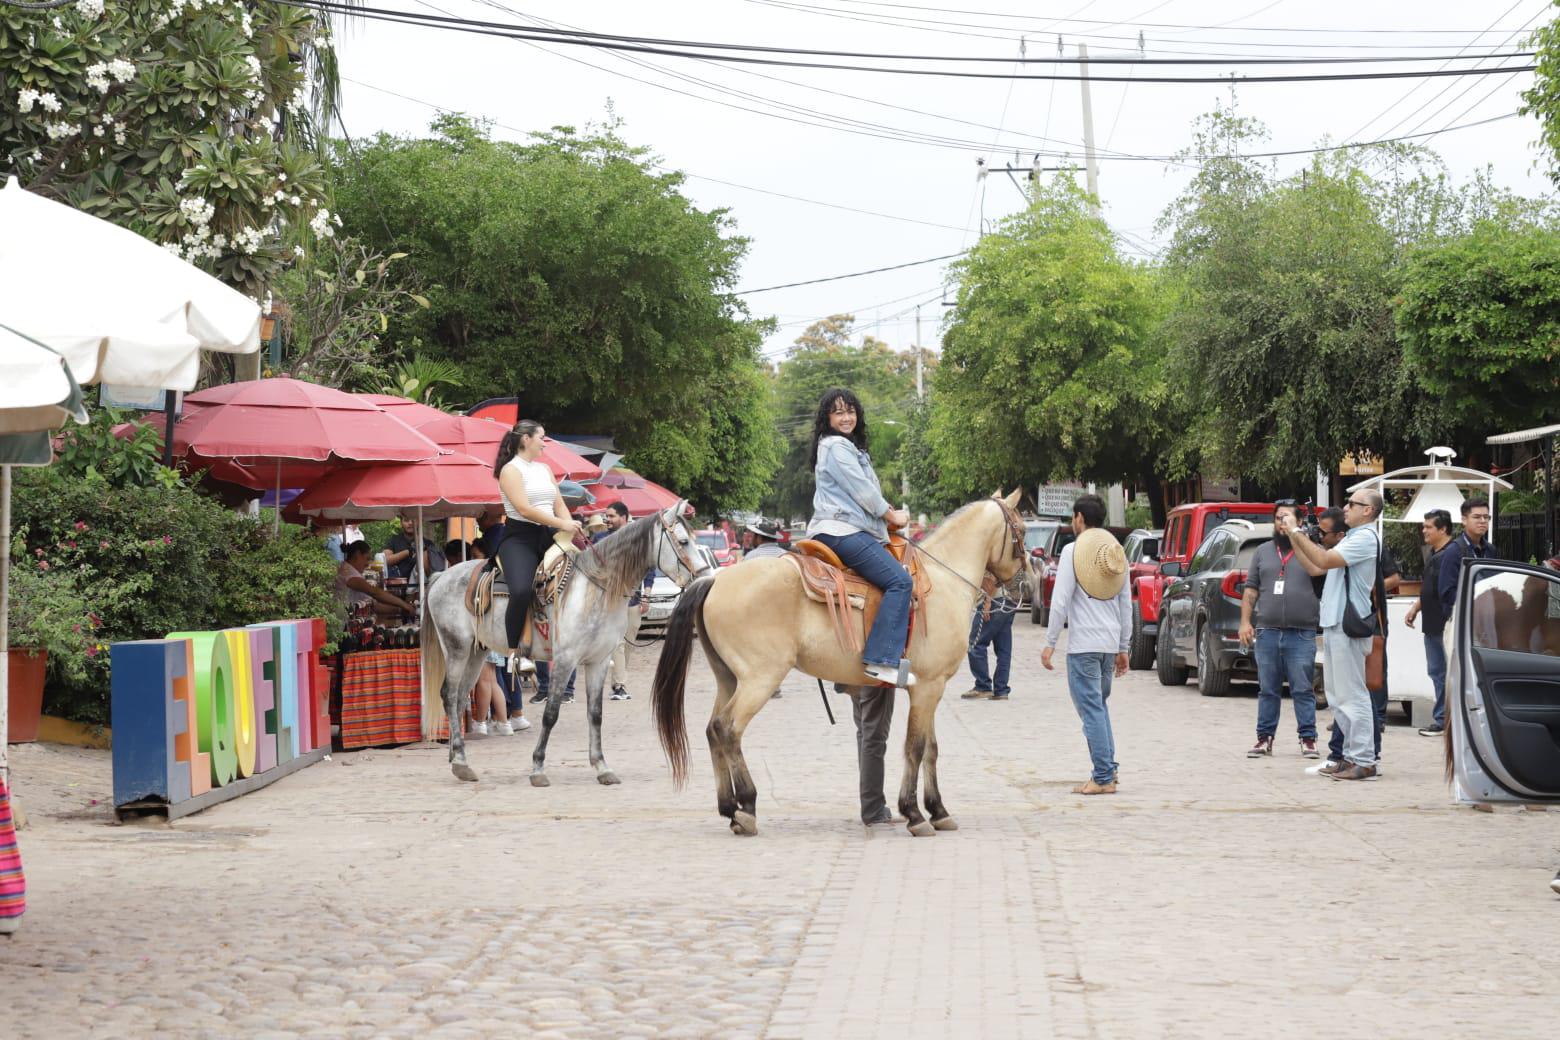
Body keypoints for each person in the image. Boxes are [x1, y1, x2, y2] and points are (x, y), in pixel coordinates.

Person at [805, 388, 914, 688]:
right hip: (842, 530)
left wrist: (885, 515)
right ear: (827, 417)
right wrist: (892, 516)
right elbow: (863, 492)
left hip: (846, 528)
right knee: (901, 582)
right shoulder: (837, 447)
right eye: (838, 412)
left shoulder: (846, 448)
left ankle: (846, 668)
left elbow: (865, 495)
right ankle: (880, 660)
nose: (846, 417)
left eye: (850, 411)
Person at [1279, 490, 1384, 782]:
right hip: (1337, 622)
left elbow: (1323, 561)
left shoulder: (1365, 538)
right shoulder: (1353, 537)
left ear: (1368, 511)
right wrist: (1293, 536)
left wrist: (1297, 531)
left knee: (1353, 694)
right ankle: (1350, 756)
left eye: (1353, 504)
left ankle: (1364, 759)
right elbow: (1314, 567)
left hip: (1348, 625)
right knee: (1339, 696)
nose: (1346, 508)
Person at [1041, 494, 1132, 795]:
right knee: (1099, 707)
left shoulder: (1072, 552)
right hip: (1108, 645)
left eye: (1073, 518)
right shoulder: (1116, 552)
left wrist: (1050, 641)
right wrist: (1123, 647)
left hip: (1084, 646)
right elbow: (1125, 604)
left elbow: (1061, 599)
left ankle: (1103, 776)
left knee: (1091, 709)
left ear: (1079, 518)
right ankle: (1110, 770)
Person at [492, 420, 583, 659]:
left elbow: (559, 504)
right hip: (520, 538)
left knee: (587, 571)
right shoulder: (510, 470)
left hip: (550, 533)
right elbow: (524, 509)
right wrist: (561, 523)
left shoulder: (544, 469)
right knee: (521, 590)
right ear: (526, 439)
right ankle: (513, 653)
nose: (545, 442)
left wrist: (570, 527)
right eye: (541, 437)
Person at [1239, 502, 1321, 759]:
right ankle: (1264, 739)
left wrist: (1301, 540)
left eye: (1286, 518)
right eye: (1278, 518)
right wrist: (1245, 622)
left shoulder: (1310, 549)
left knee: (1302, 688)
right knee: (1268, 688)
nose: (1281, 523)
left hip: (1301, 632)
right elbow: (1251, 590)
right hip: (1267, 631)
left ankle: (1308, 739)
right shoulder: (1263, 551)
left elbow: (1321, 571)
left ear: (1298, 521)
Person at [1405, 509, 1455, 736]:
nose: (1424, 530)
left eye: (1428, 527)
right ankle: (1443, 718)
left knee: (1442, 672)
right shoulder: (1436, 554)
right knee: (1437, 671)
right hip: (1432, 623)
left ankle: (1444, 720)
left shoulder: (1450, 555)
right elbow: (1430, 589)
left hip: (1444, 624)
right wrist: (1416, 607)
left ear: (1443, 529)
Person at [962, 568, 1021, 701]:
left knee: (975, 644)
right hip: (1009, 601)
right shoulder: (1007, 550)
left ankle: (983, 686)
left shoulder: (990, 549)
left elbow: (993, 575)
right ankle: (1001, 689)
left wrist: (987, 602)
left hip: (994, 600)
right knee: (1003, 650)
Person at [1437, 496, 1497, 622]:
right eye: (1476, 517)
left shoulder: (1491, 550)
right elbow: (1446, 593)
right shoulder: (1454, 551)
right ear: (1464, 520)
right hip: (1462, 623)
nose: (1482, 521)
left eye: (1486, 517)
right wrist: (1476, 602)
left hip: (1487, 621)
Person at [335, 541, 413, 619]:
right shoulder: (347, 572)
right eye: (367, 559)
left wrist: (402, 609)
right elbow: (374, 592)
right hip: (342, 623)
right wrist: (404, 604)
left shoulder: (353, 572)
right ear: (357, 554)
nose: (368, 564)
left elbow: (374, 605)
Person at [386, 514, 447, 581]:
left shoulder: (428, 543)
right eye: (406, 520)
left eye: (413, 520)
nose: (410, 523)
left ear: (419, 521)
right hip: (400, 582)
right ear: (401, 523)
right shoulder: (394, 540)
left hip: (422, 583)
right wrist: (408, 552)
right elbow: (386, 560)